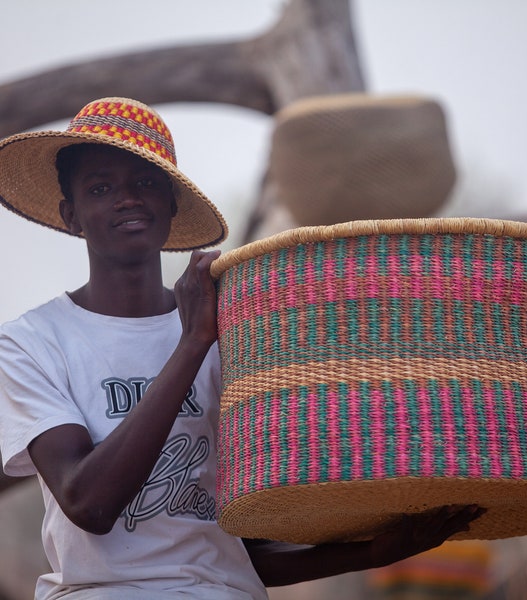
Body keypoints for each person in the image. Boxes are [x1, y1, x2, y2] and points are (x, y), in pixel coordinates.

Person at [0, 97, 482, 599]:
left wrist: (370, 553)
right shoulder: (31, 343)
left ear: (170, 206)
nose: (127, 199)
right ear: (71, 216)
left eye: (145, 183)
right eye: (101, 188)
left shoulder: (238, 332)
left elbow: (228, 550)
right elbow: (88, 504)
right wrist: (192, 345)